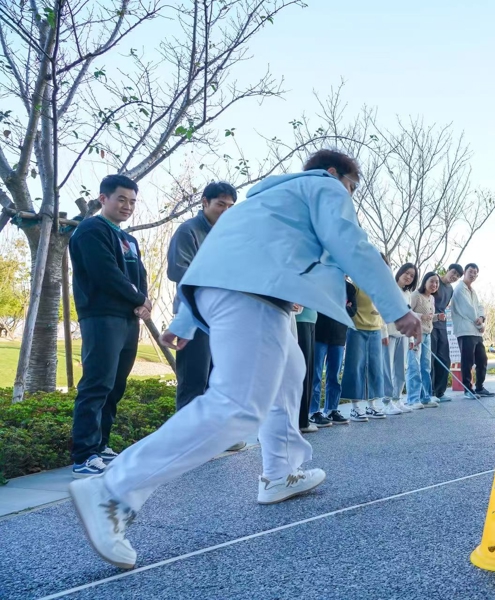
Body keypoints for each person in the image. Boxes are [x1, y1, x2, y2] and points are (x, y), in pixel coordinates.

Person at [69, 150, 422, 570]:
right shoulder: (323, 186)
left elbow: (213, 256)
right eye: (351, 187)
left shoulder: (261, 201)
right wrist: (396, 308)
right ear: (333, 174)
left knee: (290, 372)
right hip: (253, 295)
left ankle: (279, 473)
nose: (349, 196)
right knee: (237, 405)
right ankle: (113, 491)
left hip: (237, 293)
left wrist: (186, 319)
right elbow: (351, 243)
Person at [68, 175, 150, 479]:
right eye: (121, 199)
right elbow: (105, 273)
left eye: (132, 201)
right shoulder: (91, 230)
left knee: (115, 384)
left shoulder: (129, 239)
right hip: (102, 316)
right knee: (97, 383)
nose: (127, 206)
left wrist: (144, 302)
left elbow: (139, 275)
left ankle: (100, 445)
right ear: (104, 199)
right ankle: (84, 455)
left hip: (128, 318)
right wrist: (138, 297)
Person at [166, 181, 245, 451]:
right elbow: (178, 270)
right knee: (194, 379)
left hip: (224, 318)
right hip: (194, 316)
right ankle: (188, 440)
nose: (225, 211)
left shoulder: (229, 235)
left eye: (230, 206)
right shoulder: (188, 230)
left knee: (219, 379)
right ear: (204, 202)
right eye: (220, 204)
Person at [309, 279, 357, 427]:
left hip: (339, 336)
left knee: (334, 376)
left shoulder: (349, 288)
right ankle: (313, 411)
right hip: (319, 334)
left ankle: (331, 409)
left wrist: (335, 306)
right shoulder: (322, 280)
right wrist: (342, 306)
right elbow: (319, 304)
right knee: (316, 374)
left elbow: (353, 311)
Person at [342, 280, 390, 422]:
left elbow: (382, 312)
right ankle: (355, 408)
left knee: (375, 368)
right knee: (355, 367)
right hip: (357, 329)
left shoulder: (379, 286)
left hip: (375, 330)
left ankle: (372, 405)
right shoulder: (355, 284)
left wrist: (384, 332)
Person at [452, 263, 495, 398]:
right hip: (465, 331)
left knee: (482, 360)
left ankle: (480, 387)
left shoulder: (473, 291)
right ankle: (467, 389)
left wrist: (482, 318)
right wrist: (480, 326)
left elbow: (479, 306)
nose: (473, 274)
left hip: (475, 332)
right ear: (464, 272)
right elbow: (468, 310)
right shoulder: (460, 289)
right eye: (470, 271)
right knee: (467, 361)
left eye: (475, 273)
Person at [383, 263, 417, 415]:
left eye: (412, 276)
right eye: (407, 273)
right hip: (389, 334)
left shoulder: (407, 293)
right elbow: (383, 311)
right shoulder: (389, 288)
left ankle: (397, 399)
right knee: (387, 369)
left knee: (400, 369)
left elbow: (409, 315)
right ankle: (386, 401)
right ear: (400, 272)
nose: (408, 277)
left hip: (403, 335)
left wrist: (411, 338)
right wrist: (384, 332)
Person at [407, 272, 440, 408]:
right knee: (414, 367)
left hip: (427, 335)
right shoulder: (415, 295)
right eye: (432, 281)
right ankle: (413, 399)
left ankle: (425, 397)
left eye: (437, 282)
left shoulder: (431, 298)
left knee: (426, 367)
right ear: (425, 281)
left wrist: (437, 317)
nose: (434, 284)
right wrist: (422, 316)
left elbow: (429, 317)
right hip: (415, 335)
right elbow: (407, 312)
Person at [431, 264, 463, 399]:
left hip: (442, 325)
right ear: (448, 270)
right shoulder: (435, 281)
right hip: (430, 324)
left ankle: (440, 392)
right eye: (453, 272)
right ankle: (430, 392)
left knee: (444, 358)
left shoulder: (450, 289)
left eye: (457, 276)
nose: (454, 276)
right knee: (431, 358)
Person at [294, 304, 319, 432]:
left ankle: (303, 420)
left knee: (308, 372)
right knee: (302, 372)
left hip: (310, 320)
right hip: (300, 321)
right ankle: (300, 421)